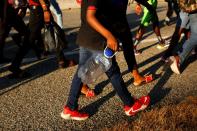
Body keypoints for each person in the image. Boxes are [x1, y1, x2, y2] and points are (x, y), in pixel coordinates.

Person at [61, 0, 150, 121]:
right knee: (113, 72)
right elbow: (90, 17)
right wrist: (110, 36)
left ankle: (70, 107)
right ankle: (130, 105)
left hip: (86, 37)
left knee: (81, 73)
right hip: (97, 39)